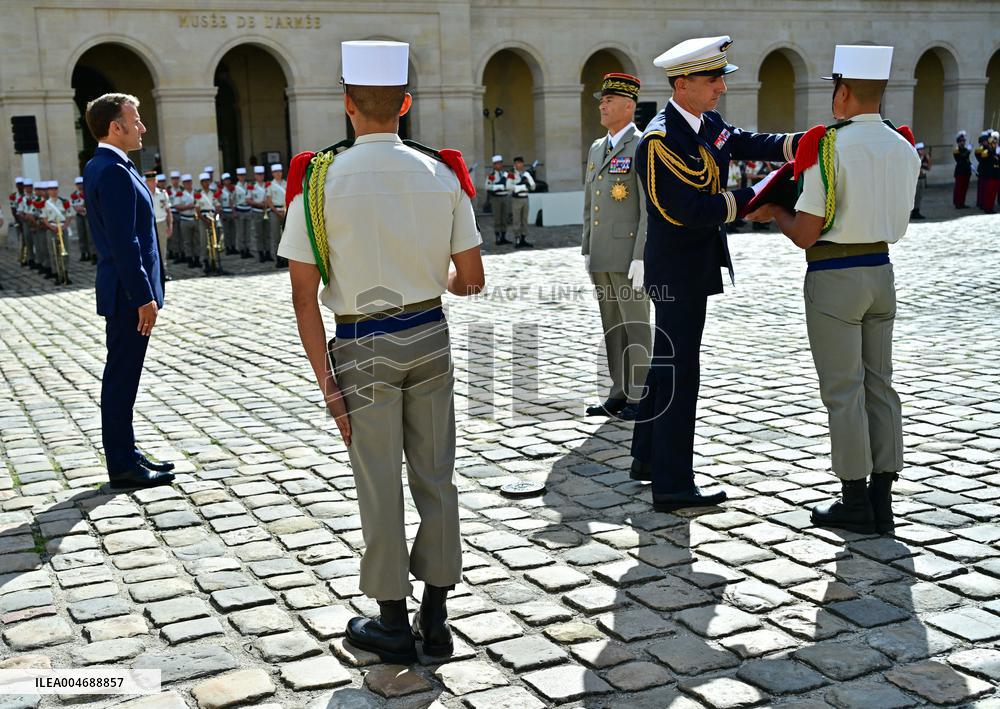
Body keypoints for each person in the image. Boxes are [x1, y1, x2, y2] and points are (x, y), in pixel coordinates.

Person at [278, 40, 483, 663]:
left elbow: (303, 295)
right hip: (430, 333)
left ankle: (393, 623)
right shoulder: (441, 172)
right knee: (436, 473)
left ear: (347, 106)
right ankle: (438, 617)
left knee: (378, 483)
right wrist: (430, 280)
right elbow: (470, 278)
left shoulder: (317, 180)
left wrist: (326, 383)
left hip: (361, 340)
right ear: (406, 104)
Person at [746, 45, 918, 534]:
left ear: (842, 92)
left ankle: (855, 500)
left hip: (835, 273)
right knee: (880, 385)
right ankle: (883, 498)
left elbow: (805, 231)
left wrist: (774, 211)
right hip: (882, 270)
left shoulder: (828, 145)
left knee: (843, 391)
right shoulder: (903, 146)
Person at [630, 35, 801, 511]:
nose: (721, 88)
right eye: (713, 79)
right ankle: (673, 485)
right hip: (678, 269)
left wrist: (794, 145)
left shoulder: (705, 122)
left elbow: (742, 140)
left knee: (667, 361)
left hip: (691, 264)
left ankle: (647, 458)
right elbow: (686, 209)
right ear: (682, 84)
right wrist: (754, 198)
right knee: (681, 372)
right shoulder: (660, 141)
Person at [82, 92, 174, 489]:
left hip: (124, 291)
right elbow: (125, 243)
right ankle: (121, 463)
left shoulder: (106, 164)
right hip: (126, 295)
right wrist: (143, 297)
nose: (143, 127)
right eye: (135, 121)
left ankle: (127, 450)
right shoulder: (113, 170)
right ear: (115, 127)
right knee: (121, 377)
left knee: (125, 376)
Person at [581, 72, 650, 423]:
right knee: (612, 326)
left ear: (629, 105)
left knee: (636, 324)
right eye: (601, 100)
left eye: (609, 100)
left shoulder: (643, 145)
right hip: (602, 254)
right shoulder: (597, 147)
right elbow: (591, 201)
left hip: (628, 256)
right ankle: (618, 391)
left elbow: (647, 209)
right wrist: (587, 248)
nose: (602, 105)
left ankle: (641, 394)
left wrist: (641, 255)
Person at [41, 180, 72, 285]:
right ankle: (57, 274)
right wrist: (50, 226)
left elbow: (69, 215)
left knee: (65, 251)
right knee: (53, 252)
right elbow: (44, 218)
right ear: (48, 191)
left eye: (55, 189)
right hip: (52, 228)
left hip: (62, 228)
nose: (54, 191)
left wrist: (65, 226)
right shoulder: (45, 204)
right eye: (51, 189)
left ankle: (66, 273)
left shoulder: (64, 202)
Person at [144, 170, 173, 282]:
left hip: (161, 222)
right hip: (149, 224)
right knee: (150, 249)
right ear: (147, 182)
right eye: (149, 181)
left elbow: (168, 210)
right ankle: (152, 273)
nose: (152, 183)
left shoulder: (162, 193)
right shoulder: (144, 192)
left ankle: (163, 272)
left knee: (162, 248)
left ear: (156, 181)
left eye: (154, 180)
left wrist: (170, 225)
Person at [508, 156, 535, 248]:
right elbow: (508, 187)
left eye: (520, 163)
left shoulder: (526, 174)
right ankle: (517, 239)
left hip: (525, 198)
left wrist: (528, 182)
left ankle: (524, 238)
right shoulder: (511, 174)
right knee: (516, 220)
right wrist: (520, 187)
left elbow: (533, 186)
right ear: (514, 164)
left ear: (523, 164)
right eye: (516, 163)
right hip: (516, 199)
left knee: (524, 219)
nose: (518, 165)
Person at [485, 155, 512, 245]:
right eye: (497, 164)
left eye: (500, 163)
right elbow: (487, 186)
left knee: (505, 218)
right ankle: (497, 238)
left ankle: (504, 237)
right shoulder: (491, 176)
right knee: (497, 218)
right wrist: (498, 186)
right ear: (494, 165)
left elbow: (510, 184)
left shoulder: (506, 174)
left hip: (505, 196)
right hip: (496, 198)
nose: (499, 165)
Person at [266, 163, 287, 267]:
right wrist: (276, 211)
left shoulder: (286, 183)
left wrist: (285, 210)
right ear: (273, 173)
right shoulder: (270, 185)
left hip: (285, 211)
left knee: (286, 236)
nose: (278, 173)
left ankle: (287, 258)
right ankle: (278, 259)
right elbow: (269, 201)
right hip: (274, 211)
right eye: (276, 172)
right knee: (276, 236)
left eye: (280, 171)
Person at [249, 165, 270, 261]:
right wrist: (258, 204)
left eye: (261, 174)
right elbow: (248, 200)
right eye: (258, 174)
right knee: (259, 234)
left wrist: (267, 203)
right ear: (255, 176)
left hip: (267, 211)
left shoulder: (268, 185)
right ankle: (261, 253)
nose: (260, 176)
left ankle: (268, 252)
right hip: (257, 211)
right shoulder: (252, 187)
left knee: (267, 233)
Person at [71, 176, 93, 262]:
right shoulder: (74, 194)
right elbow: (74, 205)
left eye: (81, 184)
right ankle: (83, 252)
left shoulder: (88, 192)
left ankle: (93, 254)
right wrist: (80, 210)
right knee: (81, 234)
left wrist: (84, 209)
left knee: (90, 235)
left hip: (88, 214)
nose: (79, 186)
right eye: (78, 184)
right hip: (79, 215)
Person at [234, 167, 252, 258]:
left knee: (248, 232)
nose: (242, 177)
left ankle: (248, 249)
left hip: (248, 209)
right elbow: (232, 200)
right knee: (241, 232)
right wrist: (234, 211)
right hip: (240, 210)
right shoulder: (235, 187)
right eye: (240, 175)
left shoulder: (248, 185)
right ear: (237, 176)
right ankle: (242, 250)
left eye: (243, 175)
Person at [218, 172, 237, 254]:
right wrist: (221, 214)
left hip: (232, 212)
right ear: (223, 181)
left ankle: (233, 246)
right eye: (226, 180)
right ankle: (228, 247)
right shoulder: (221, 192)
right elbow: (219, 203)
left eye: (228, 179)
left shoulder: (233, 190)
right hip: (225, 211)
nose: (227, 181)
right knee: (226, 231)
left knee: (233, 231)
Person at [953, 131, 972, 209]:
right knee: (959, 188)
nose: (962, 142)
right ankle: (957, 203)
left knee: (964, 188)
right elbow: (961, 158)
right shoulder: (956, 150)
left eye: (963, 141)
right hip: (960, 172)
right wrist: (968, 151)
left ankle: (962, 202)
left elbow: (967, 159)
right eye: (961, 141)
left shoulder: (965, 149)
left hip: (966, 171)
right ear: (958, 142)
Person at [911, 141, 930, 219]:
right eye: (920, 149)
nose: (922, 151)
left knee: (920, 196)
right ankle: (914, 212)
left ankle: (917, 211)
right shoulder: (915, 158)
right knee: (915, 196)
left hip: (922, 178)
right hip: (916, 179)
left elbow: (928, 168)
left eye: (923, 149)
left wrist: (929, 160)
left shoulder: (924, 157)